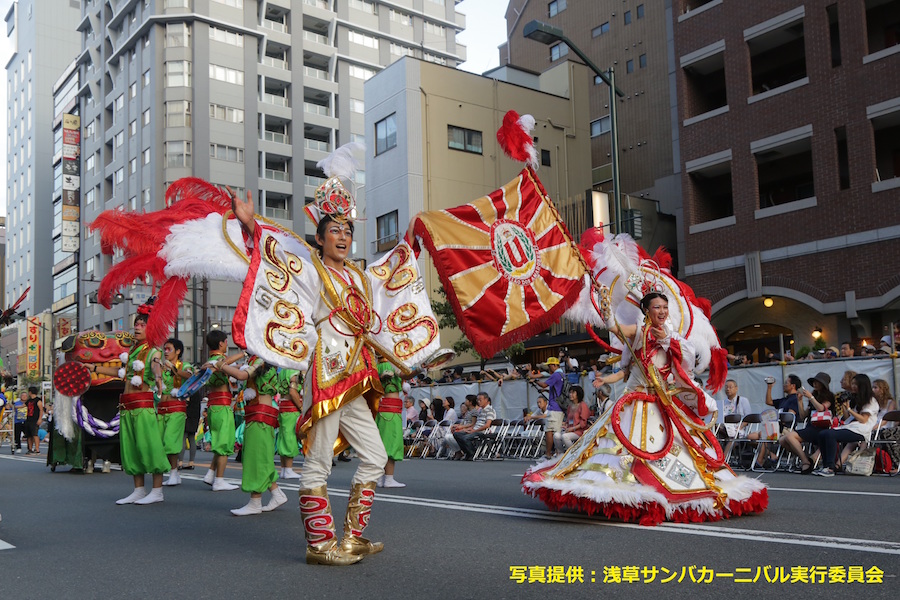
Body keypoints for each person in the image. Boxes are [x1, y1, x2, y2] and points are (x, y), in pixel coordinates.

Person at [233, 175, 394, 566]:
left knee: (375, 455)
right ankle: (319, 545)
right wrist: (251, 225)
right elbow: (271, 262)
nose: (342, 236)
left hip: (355, 377)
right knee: (319, 461)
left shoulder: (356, 276)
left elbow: (380, 310)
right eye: (334, 230)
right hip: (324, 374)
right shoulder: (310, 270)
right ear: (320, 238)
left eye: (347, 231)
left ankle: (352, 537)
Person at [523, 292, 767, 525]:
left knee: (680, 449)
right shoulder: (639, 332)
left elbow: (686, 364)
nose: (661, 311)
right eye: (656, 307)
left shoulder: (674, 337)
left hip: (661, 403)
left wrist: (669, 343)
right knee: (615, 450)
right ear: (647, 311)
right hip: (632, 404)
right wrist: (608, 315)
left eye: (664, 307)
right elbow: (620, 346)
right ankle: (621, 493)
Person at [89, 304, 170, 505]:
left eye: (143, 324)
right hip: (127, 406)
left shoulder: (153, 351)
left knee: (149, 446)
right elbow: (121, 374)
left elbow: (156, 366)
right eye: (137, 324)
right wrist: (94, 367)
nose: (138, 327)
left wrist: (159, 377)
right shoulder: (133, 351)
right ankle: (139, 489)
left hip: (143, 407)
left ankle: (157, 491)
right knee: (132, 449)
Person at [215, 356, 289, 515]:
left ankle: (255, 502)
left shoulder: (261, 361)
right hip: (259, 414)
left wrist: (220, 365)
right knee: (262, 457)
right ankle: (276, 494)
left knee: (255, 458)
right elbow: (241, 369)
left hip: (260, 415)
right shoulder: (261, 360)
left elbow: (242, 375)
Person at [200, 330, 243, 492]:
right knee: (224, 443)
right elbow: (225, 362)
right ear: (221, 343)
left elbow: (228, 366)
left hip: (214, 406)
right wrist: (241, 354)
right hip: (221, 406)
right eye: (226, 342)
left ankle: (211, 474)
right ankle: (219, 480)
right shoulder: (218, 361)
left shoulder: (211, 361)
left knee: (219, 441)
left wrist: (239, 365)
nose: (227, 345)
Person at [813, 374, 879, 477]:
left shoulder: (871, 401)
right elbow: (847, 417)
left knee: (830, 435)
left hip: (862, 430)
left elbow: (863, 419)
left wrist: (849, 410)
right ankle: (825, 465)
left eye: (855, 384)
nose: (852, 386)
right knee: (823, 434)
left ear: (862, 385)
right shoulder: (857, 399)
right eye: (852, 383)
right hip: (851, 426)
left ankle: (830, 468)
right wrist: (845, 406)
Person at [778, 372, 834, 474]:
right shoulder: (814, 395)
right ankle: (806, 459)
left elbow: (821, 408)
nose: (815, 384)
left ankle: (805, 462)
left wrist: (811, 398)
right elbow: (803, 415)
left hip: (822, 427)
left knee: (790, 436)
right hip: (810, 426)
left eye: (817, 382)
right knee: (782, 440)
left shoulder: (829, 396)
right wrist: (800, 401)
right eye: (814, 382)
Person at [158, 339, 193, 487]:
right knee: (160, 442)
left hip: (177, 408)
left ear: (178, 351)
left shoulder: (184, 365)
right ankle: (173, 473)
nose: (166, 352)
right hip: (161, 408)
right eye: (164, 349)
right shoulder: (160, 366)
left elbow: (190, 376)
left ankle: (173, 472)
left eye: (169, 349)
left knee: (170, 441)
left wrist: (174, 369)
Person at [376, 360, 406, 488]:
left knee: (382, 445)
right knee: (392, 444)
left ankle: (379, 478)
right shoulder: (392, 364)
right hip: (391, 410)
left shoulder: (376, 365)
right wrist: (420, 369)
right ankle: (388, 479)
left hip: (382, 410)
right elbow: (406, 374)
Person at [528, 356, 566, 459]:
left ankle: (548, 453)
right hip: (560, 407)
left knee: (549, 430)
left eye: (549, 366)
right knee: (556, 431)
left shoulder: (556, 375)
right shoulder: (562, 374)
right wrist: (545, 391)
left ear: (554, 365)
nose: (548, 369)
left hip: (554, 408)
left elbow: (544, 384)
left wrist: (534, 381)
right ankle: (557, 453)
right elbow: (557, 391)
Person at [452, 392, 495, 460]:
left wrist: (474, 430)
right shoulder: (481, 411)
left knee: (465, 438)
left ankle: (472, 453)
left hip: (482, 431)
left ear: (486, 400)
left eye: (480, 400)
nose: (478, 401)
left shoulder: (490, 410)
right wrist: (468, 429)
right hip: (475, 429)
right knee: (457, 434)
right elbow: (476, 423)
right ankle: (467, 452)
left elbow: (487, 425)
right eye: (477, 400)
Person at [276, 371, 303, 480]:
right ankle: (288, 469)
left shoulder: (283, 370)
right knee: (290, 438)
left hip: (283, 407)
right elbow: (292, 392)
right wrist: (301, 407)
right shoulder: (293, 371)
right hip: (291, 409)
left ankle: (284, 469)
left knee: (284, 438)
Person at [554, 386, 590, 451]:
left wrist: (572, 428)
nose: (570, 394)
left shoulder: (583, 405)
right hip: (569, 430)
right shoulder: (570, 406)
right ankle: (562, 454)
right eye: (570, 393)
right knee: (556, 435)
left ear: (578, 394)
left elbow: (583, 423)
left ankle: (573, 453)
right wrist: (565, 426)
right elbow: (568, 420)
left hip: (579, 431)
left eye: (573, 393)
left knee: (565, 437)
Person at [179, 391, 202, 470]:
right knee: (192, 439)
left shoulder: (189, 391)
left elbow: (186, 402)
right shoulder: (197, 392)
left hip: (187, 415)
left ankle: (180, 462)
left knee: (183, 438)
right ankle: (191, 462)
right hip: (195, 416)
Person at [23, 387, 43, 455]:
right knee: (29, 435)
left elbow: (41, 410)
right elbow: (23, 405)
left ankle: (37, 449)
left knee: (35, 434)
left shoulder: (38, 400)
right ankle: (30, 449)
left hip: (35, 420)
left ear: (30, 392)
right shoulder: (29, 401)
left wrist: (40, 419)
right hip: (28, 419)